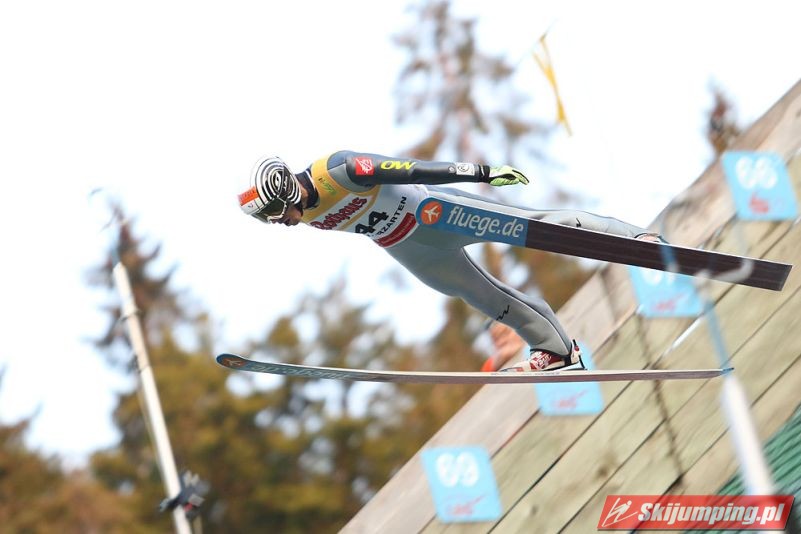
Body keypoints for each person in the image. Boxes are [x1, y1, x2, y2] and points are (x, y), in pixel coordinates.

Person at [237, 151, 663, 372]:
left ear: (285, 190)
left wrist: (481, 172)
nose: (282, 223)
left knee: (533, 226)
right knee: (483, 297)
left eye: (278, 214)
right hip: (408, 248)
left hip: (434, 213)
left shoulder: (340, 170)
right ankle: (556, 350)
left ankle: (637, 238)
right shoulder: (304, 214)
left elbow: (412, 169)